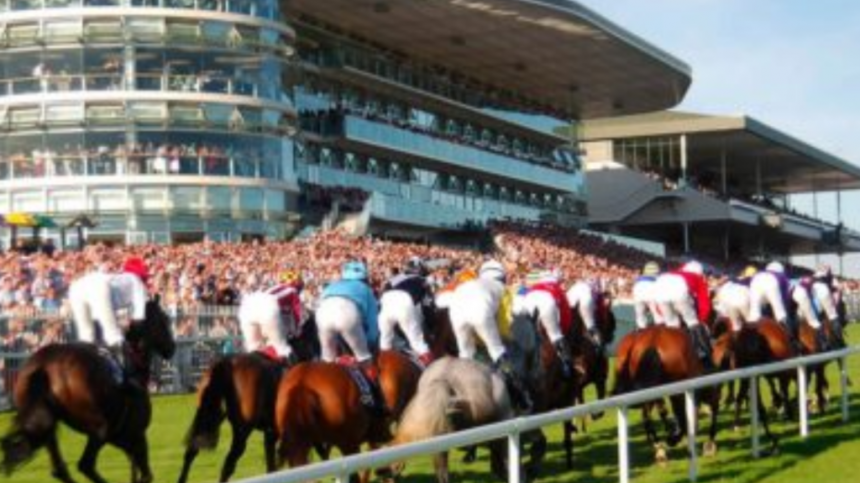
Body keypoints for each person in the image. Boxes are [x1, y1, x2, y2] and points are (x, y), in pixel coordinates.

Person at [448, 259, 533, 412]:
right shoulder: (502, 288)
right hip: (481, 312)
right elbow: (504, 324)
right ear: (502, 277)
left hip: (455, 310)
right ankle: (520, 396)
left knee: (465, 355)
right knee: (497, 351)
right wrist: (505, 339)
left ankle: (457, 394)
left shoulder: (470, 283)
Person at [68, 257, 150, 373]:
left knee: (86, 337)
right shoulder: (136, 280)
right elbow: (139, 317)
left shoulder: (121, 278)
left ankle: (82, 372)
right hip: (99, 286)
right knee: (113, 335)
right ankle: (125, 376)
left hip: (76, 286)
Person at [317, 261, 382, 407]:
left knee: (328, 360)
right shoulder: (365, 288)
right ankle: (376, 399)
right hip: (347, 312)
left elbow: (319, 306)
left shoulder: (331, 286)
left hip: (323, 313)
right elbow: (372, 322)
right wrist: (371, 342)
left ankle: (325, 398)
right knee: (364, 357)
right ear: (364, 277)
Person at [653, 261, 713, 368]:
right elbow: (704, 304)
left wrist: (664, 314)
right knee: (692, 321)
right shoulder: (697, 277)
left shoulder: (674, 272)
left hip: (659, 285)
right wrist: (701, 320)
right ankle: (703, 354)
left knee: (672, 324)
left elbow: (658, 307)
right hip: (678, 289)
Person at [237, 270, 303, 366]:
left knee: (254, 348)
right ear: (296, 283)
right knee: (281, 347)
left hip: (247, 304)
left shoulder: (271, 288)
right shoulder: (292, 291)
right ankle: (292, 374)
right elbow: (296, 313)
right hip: (268, 305)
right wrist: (297, 330)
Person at [379, 257, 434, 366]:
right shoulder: (425, 280)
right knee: (418, 343)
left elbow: (381, 299)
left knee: (385, 343)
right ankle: (432, 371)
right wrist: (432, 328)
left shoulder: (393, 279)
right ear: (421, 269)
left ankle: (376, 376)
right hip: (404, 302)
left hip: (386, 302)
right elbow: (428, 307)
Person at [521, 269, 574, 376]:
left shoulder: (532, 288)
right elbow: (565, 315)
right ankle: (566, 364)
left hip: (528, 301)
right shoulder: (557, 288)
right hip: (547, 304)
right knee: (555, 335)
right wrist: (562, 330)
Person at [749, 261, 801, 349]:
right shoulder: (782, 276)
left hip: (755, 280)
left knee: (754, 315)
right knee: (780, 314)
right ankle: (792, 342)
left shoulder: (760, 274)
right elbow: (785, 298)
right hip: (771, 284)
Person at [811, 264, 846, 348]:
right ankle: (840, 341)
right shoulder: (829, 276)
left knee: (814, 318)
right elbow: (835, 287)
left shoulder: (815, 273)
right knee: (833, 316)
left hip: (812, 290)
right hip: (823, 291)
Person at [566, 278, 605, 350]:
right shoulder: (593, 289)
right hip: (582, 303)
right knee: (590, 325)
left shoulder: (575, 286)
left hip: (570, 304)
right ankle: (598, 347)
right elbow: (595, 307)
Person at [714, 266, 755, 333]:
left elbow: (722, 310)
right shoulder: (740, 283)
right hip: (744, 298)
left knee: (736, 326)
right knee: (751, 323)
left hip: (731, 303)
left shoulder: (721, 290)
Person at [632, 261, 662, 330]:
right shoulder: (657, 277)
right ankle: (660, 324)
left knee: (640, 313)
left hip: (638, 288)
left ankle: (640, 328)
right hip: (651, 287)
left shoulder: (639, 278)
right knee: (656, 312)